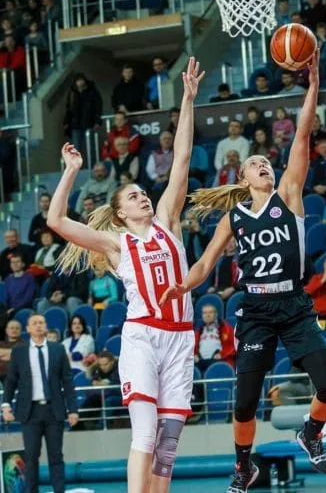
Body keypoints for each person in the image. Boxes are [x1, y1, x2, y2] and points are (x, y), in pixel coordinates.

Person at [159, 52, 326, 492]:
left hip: (295, 305)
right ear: (243, 179)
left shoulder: (289, 194)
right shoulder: (234, 217)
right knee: (244, 404)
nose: (265, 166)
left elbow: (302, 135)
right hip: (256, 308)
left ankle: (311, 432)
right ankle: (243, 467)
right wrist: (182, 285)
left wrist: (313, 85)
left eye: (267, 163)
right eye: (256, 164)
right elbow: (205, 264)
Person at [46, 58, 204, 493]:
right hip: (143, 336)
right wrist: (71, 172)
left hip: (181, 336)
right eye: (134, 196)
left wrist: (188, 100)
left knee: (168, 443)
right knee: (145, 434)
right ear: (120, 213)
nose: (143, 197)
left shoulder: (168, 221)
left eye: (143, 193)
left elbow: (182, 158)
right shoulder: (117, 244)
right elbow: (57, 220)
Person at [2, 314, 79, 493]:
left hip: (54, 410)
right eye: (34, 323)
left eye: (41, 323)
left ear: (46, 326)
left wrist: (73, 409)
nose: (38, 326)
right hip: (30, 412)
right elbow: (11, 380)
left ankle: (59, 490)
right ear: (27, 329)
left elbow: (67, 381)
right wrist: (6, 406)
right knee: (30, 457)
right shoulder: (19, 351)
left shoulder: (58, 349)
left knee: (56, 456)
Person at [78, 350, 121, 430]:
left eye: (105, 364)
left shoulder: (120, 369)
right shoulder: (97, 369)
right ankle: (78, 426)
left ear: (112, 362)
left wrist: (106, 385)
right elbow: (92, 382)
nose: (103, 367)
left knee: (108, 401)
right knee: (90, 400)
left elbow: (119, 388)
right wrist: (94, 383)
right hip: (104, 394)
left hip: (118, 395)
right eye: (100, 365)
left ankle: (100, 427)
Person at [63, 73, 103, 155]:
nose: (80, 82)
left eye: (81, 80)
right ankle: (78, 163)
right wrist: (66, 122)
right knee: (76, 148)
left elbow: (98, 107)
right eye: (78, 80)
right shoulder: (72, 93)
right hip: (76, 124)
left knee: (90, 148)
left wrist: (97, 121)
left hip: (89, 123)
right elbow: (69, 109)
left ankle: (91, 163)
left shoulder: (92, 92)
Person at [194, 304, 236, 372]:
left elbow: (234, 346)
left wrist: (222, 354)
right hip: (200, 362)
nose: (207, 315)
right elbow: (192, 348)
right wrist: (194, 355)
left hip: (219, 361)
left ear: (216, 314)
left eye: (210, 312)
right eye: (205, 313)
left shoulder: (226, 328)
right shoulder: (198, 331)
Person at [4, 254, 36, 318]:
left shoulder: (30, 278)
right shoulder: (8, 279)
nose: (15, 264)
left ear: (23, 264)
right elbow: (6, 298)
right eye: (13, 262)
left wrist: (14, 309)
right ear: (10, 265)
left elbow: (28, 300)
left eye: (18, 262)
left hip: (23, 310)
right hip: (9, 310)